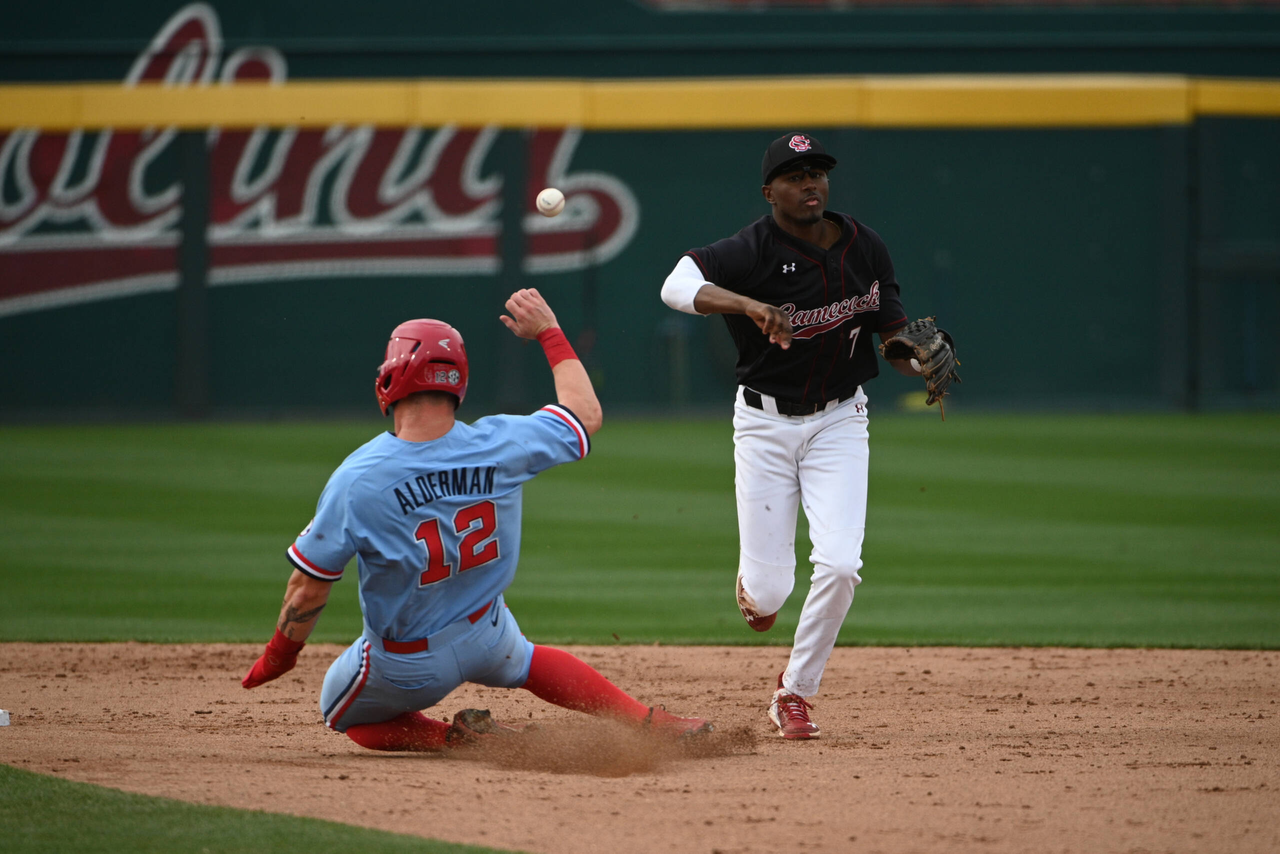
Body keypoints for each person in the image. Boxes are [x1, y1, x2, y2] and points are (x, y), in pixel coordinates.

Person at [242, 288, 711, 749]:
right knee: (525, 660)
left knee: (339, 712)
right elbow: (584, 415)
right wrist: (548, 331)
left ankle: (456, 739)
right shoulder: (503, 441)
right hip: (488, 635)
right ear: (458, 383)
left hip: (408, 667)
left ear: (390, 378)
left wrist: (278, 657)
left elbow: (309, 587)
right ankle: (651, 721)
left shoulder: (359, 478)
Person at [659, 132, 925, 740]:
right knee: (771, 590)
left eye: (818, 173)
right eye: (796, 174)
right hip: (763, 424)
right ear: (769, 191)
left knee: (839, 565)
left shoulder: (865, 246)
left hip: (839, 420)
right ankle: (757, 588)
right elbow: (675, 285)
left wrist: (918, 360)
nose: (810, 183)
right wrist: (746, 304)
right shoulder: (749, 250)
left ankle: (794, 694)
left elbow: (893, 339)